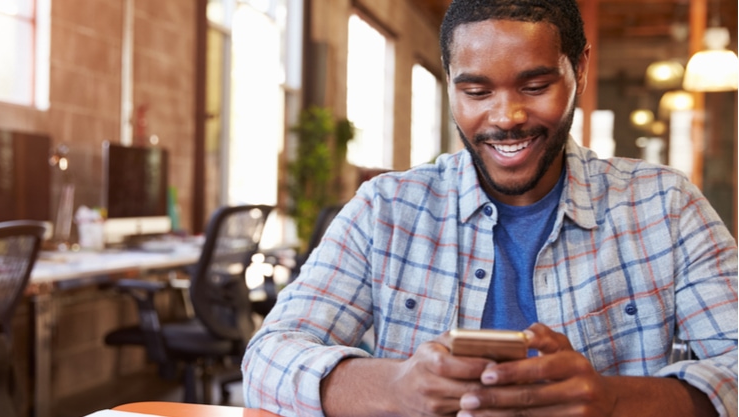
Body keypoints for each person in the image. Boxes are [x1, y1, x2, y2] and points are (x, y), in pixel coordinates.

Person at [242, 0, 738, 415]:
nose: (506, 117)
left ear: (580, 70)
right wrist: (396, 387)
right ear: (451, 81)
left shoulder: (664, 205)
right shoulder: (386, 210)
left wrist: (612, 401)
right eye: (476, 91)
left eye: (535, 86)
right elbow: (268, 357)